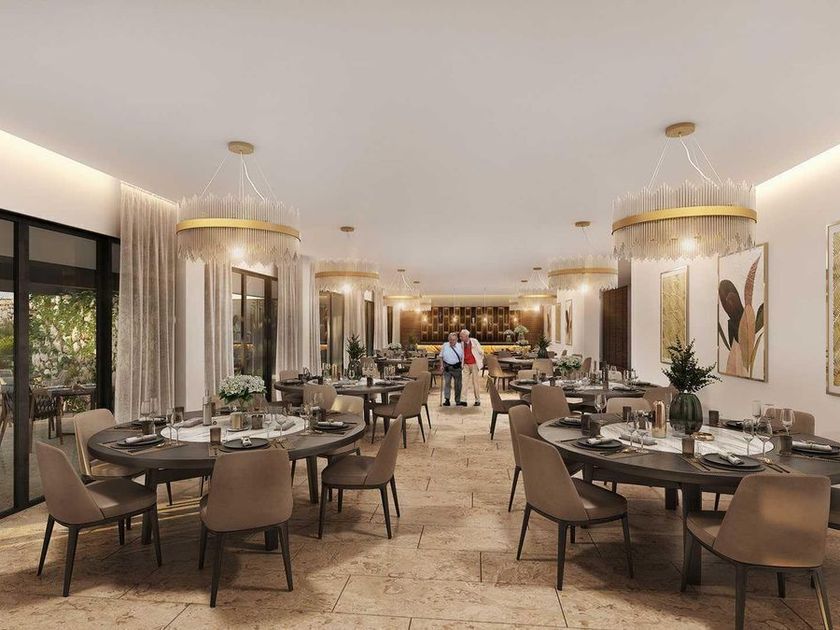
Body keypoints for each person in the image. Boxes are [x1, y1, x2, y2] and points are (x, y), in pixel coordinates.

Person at [459, 328, 484, 406]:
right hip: (466, 365)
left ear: (466, 336)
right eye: (460, 336)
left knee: (475, 383)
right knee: (464, 382)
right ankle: (463, 400)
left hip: (474, 365)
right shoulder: (462, 343)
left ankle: (477, 400)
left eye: (461, 336)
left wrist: (479, 361)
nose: (460, 338)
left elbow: (481, 352)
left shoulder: (474, 341)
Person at [440, 332, 465, 406]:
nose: (452, 341)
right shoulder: (445, 345)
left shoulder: (460, 346)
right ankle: (447, 400)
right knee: (447, 383)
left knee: (458, 385)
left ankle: (458, 400)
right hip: (447, 367)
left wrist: (462, 365)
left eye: (453, 340)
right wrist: (441, 365)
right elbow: (441, 356)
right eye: (450, 339)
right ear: (448, 339)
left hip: (457, 368)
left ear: (457, 340)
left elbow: (463, 357)